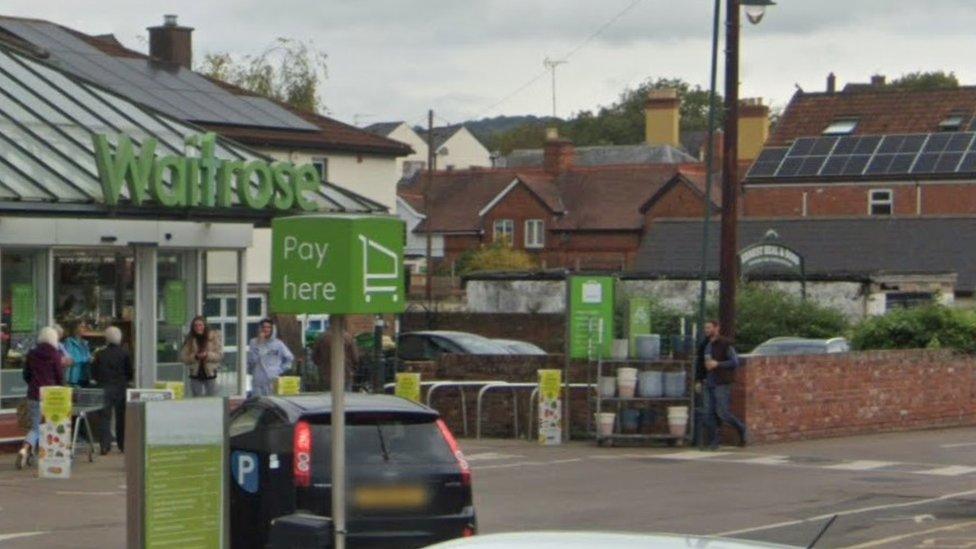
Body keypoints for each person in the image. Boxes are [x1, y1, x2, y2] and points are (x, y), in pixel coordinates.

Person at [16, 326, 65, 470]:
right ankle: (26, 450)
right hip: (51, 395)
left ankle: (29, 453)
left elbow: (26, 374)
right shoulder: (55, 354)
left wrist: (32, 384)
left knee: (36, 426)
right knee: (44, 428)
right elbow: (59, 376)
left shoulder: (32, 354)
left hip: (33, 394)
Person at [700, 320, 747, 450]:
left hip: (721, 382)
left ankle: (741, 428)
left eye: (709, 327)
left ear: (717, 328)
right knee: (708, 413)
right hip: (708, 382)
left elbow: (735, 362)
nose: (707, 330)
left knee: (722, 413)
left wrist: (718, 364)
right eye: (705, 328)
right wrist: (701, 377)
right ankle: (715, 440)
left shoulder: (725, 344)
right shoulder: (706, 344)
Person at [90, 326, 133, 455]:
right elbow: (129, 372)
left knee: (104, 418)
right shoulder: (125, 353)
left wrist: (99, 380)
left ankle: (104, 445)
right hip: (120, 387)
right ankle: (122, 445)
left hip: (104, 387)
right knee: (121, 417)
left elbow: (94, 372)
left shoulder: (100, 354)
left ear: (106, 338)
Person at [247, 318, 294, 397]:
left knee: (272, 403)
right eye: (264, 327)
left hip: (272, 380)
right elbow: (252, 360)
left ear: (272, 329)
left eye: (268, 327)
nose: (266, 329)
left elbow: (290, 358)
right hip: (258, 380)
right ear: (260, 329)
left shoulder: (278, 344)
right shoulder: (253, 342)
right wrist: (260, 344)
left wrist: (279, 370)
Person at [179, 316, 224, 397]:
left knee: (212, 399)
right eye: (195, 326)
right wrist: (195, 357)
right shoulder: (190, 339)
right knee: (197, 400)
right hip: (195, 374)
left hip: (210, 373)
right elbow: (183, 357)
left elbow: (219, 355)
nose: (198, 328)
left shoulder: (213, 337)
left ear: (205, 326)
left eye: (200, 325)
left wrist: (207, 355)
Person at [62, 322, 93, 388]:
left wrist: (91, 358)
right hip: (74, 377)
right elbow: (70, 359)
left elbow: (88, 356)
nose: (84, 328)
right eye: (81, 326)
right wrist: (86, 359)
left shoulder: (85, 343)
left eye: (84, 326)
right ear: (75, 328)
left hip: (85, 376)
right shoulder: (69, 342)